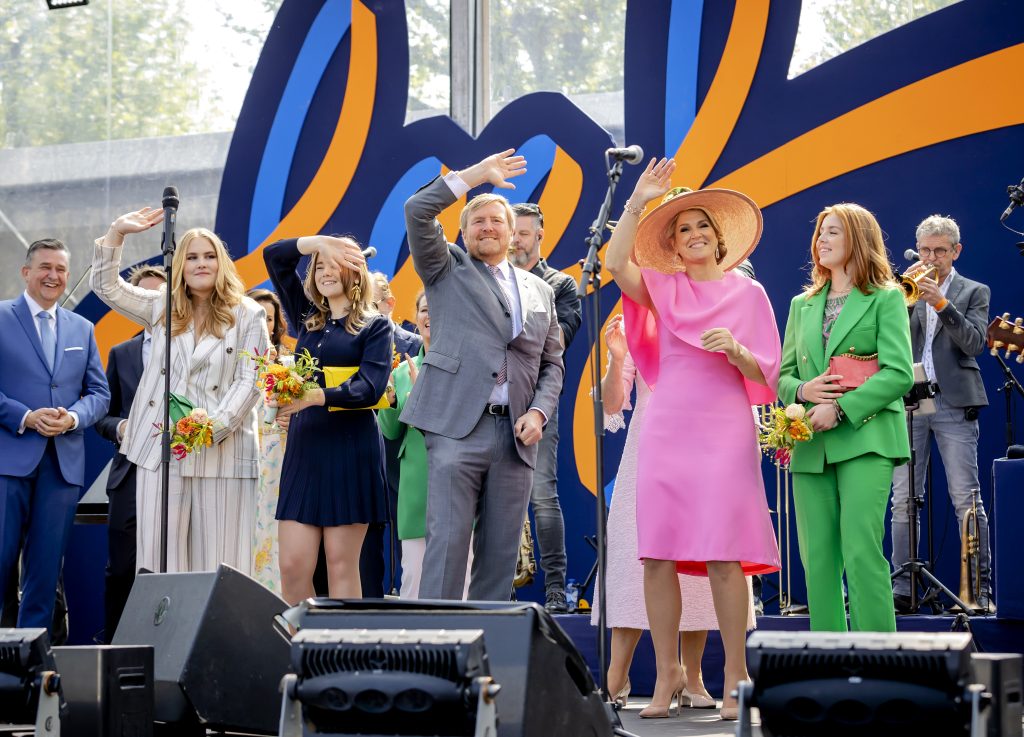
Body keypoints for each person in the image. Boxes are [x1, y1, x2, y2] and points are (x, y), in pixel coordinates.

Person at [606, 160, 781, 721]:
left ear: (719, 237)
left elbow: (770, 372)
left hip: (724, 429)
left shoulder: (749, 295)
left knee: (724, 556)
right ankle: (663, 680)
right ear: (674, 247)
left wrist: (737, 351)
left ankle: (736, 676)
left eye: (702, 225)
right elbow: (613, 262)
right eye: (683, 229)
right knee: (656, 556)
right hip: (667, 428)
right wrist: (639, 199)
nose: (695, 234)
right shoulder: (661, 287)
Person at [402, 149, 564, 601]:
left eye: (497, 221)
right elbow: (417, 210)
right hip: (457, 427)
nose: (487, 227)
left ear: (514, 234)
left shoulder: (541, 290)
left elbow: (552, 364)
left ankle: (487, 659)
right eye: (478, 221)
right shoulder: (445, 267)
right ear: (462, 231)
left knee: (500, 557)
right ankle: (434, 658)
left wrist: (539, 412)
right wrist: (474, 176)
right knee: (448, 547)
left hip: (516, 435)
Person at [91, 209, 268, 574]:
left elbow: (251, 380)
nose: (201, 263)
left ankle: (217, 634)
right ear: (179, 266)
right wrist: (116, 233)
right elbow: (107, 287)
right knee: (160, 563)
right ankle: (163, 633)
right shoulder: (161, 307)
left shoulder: (249, 314)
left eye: (209, 256)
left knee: (220, 566)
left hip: (224, 454)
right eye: (191, 257)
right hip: (162, 453)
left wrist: (208, 428)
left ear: (222, 263)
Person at [596, 314, 748, 711]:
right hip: (647, 447)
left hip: (704, 437)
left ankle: (691, 675)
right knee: (635, 560)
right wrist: (616, 357)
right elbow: (612, 404)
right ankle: (618, 675)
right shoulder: (637, 319)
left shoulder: (713, 308)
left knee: (699, 560)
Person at [777, 203, 914, 633]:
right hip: (810, 446)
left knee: (861, 551)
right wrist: (803, 391)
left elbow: (900, 374)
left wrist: (839, 408)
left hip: (866, 438)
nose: (822, 239)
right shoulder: (802, 304)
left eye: (833, 232)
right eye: (820, 232)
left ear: (858, 238)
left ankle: (880, 664)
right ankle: (830, 661)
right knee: (816, 559)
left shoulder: (887, 297)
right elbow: (782, 378)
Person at [264, 235, 391, 603]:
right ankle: (299, 651)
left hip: (351, 450)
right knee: (291, 565)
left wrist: (313, 396)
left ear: (356, 272)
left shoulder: (375, 326)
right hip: (304, 451)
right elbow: (275, 258)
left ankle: (340, 653)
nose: (326, 272)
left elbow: (369, 388)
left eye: (335, 264)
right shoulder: (307, 317)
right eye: (320, 265)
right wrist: (319, 242)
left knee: (340, 564)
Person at [0, 238, 110, 631]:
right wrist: (25, 416)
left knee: (46, 569)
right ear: (26, 272)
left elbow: (99, 393)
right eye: (45, 267)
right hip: (7, 461)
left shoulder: (82, 327)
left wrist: (73, 418)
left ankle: (33, 662)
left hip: (62, 466)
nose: (54, 276)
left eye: (61, 269)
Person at [890, 215, 992, 612]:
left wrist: (942, 304)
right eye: (926, 250)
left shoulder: (973, 291)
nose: (932, 258)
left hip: (954, 403)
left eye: (940, 251)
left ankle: (975, 592)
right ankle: (904, 589)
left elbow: (974, 343)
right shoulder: (904, 290)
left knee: (966, 499)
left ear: (956, 251)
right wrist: (902, 300)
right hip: (910, 402)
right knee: (902, 499)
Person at [509, 202, 582, 612]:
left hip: (539, 403)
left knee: (541, 496)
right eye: (511, 231)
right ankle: (502, 589)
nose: (515, 239)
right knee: (496, 501)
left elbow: (560, 339)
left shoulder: (561, 284)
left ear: (540, 235)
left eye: (523, 232)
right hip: (492, 401)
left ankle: (556, 588)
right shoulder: (489, 278)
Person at [95, 264, 166, 639]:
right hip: (130, 476)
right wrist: (121, 427)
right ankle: (114, 649)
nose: (152, 302)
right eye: (144, 296)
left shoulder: (195, 347)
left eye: (160, 294)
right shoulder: (121, 353)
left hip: (179, 473)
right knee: (123, 569)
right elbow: (102, 416)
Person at [366, 272, 425, 596]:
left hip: (400, 456)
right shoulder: (353, 341)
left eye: (370, 304)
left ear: (389, 305)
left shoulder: (412, 346)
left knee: (410, 541)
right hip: (364, 448)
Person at [378, 290, 431, 598]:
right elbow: (390, 431)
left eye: (436, 309)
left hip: (458, 479)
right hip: (414, 482)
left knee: (463, 578)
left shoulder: (466, 366)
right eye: (424, 310)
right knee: (414, 575)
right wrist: (391, 400)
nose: (429, 316)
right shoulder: (400, 371)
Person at [246, 287, 290, 595]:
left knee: (275, 542)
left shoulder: (288, 365)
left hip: (279, 468)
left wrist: (295, 417)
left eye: (269, 318)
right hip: (242, 462)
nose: (264, 325)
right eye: (258, 317)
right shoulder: (231, 363)